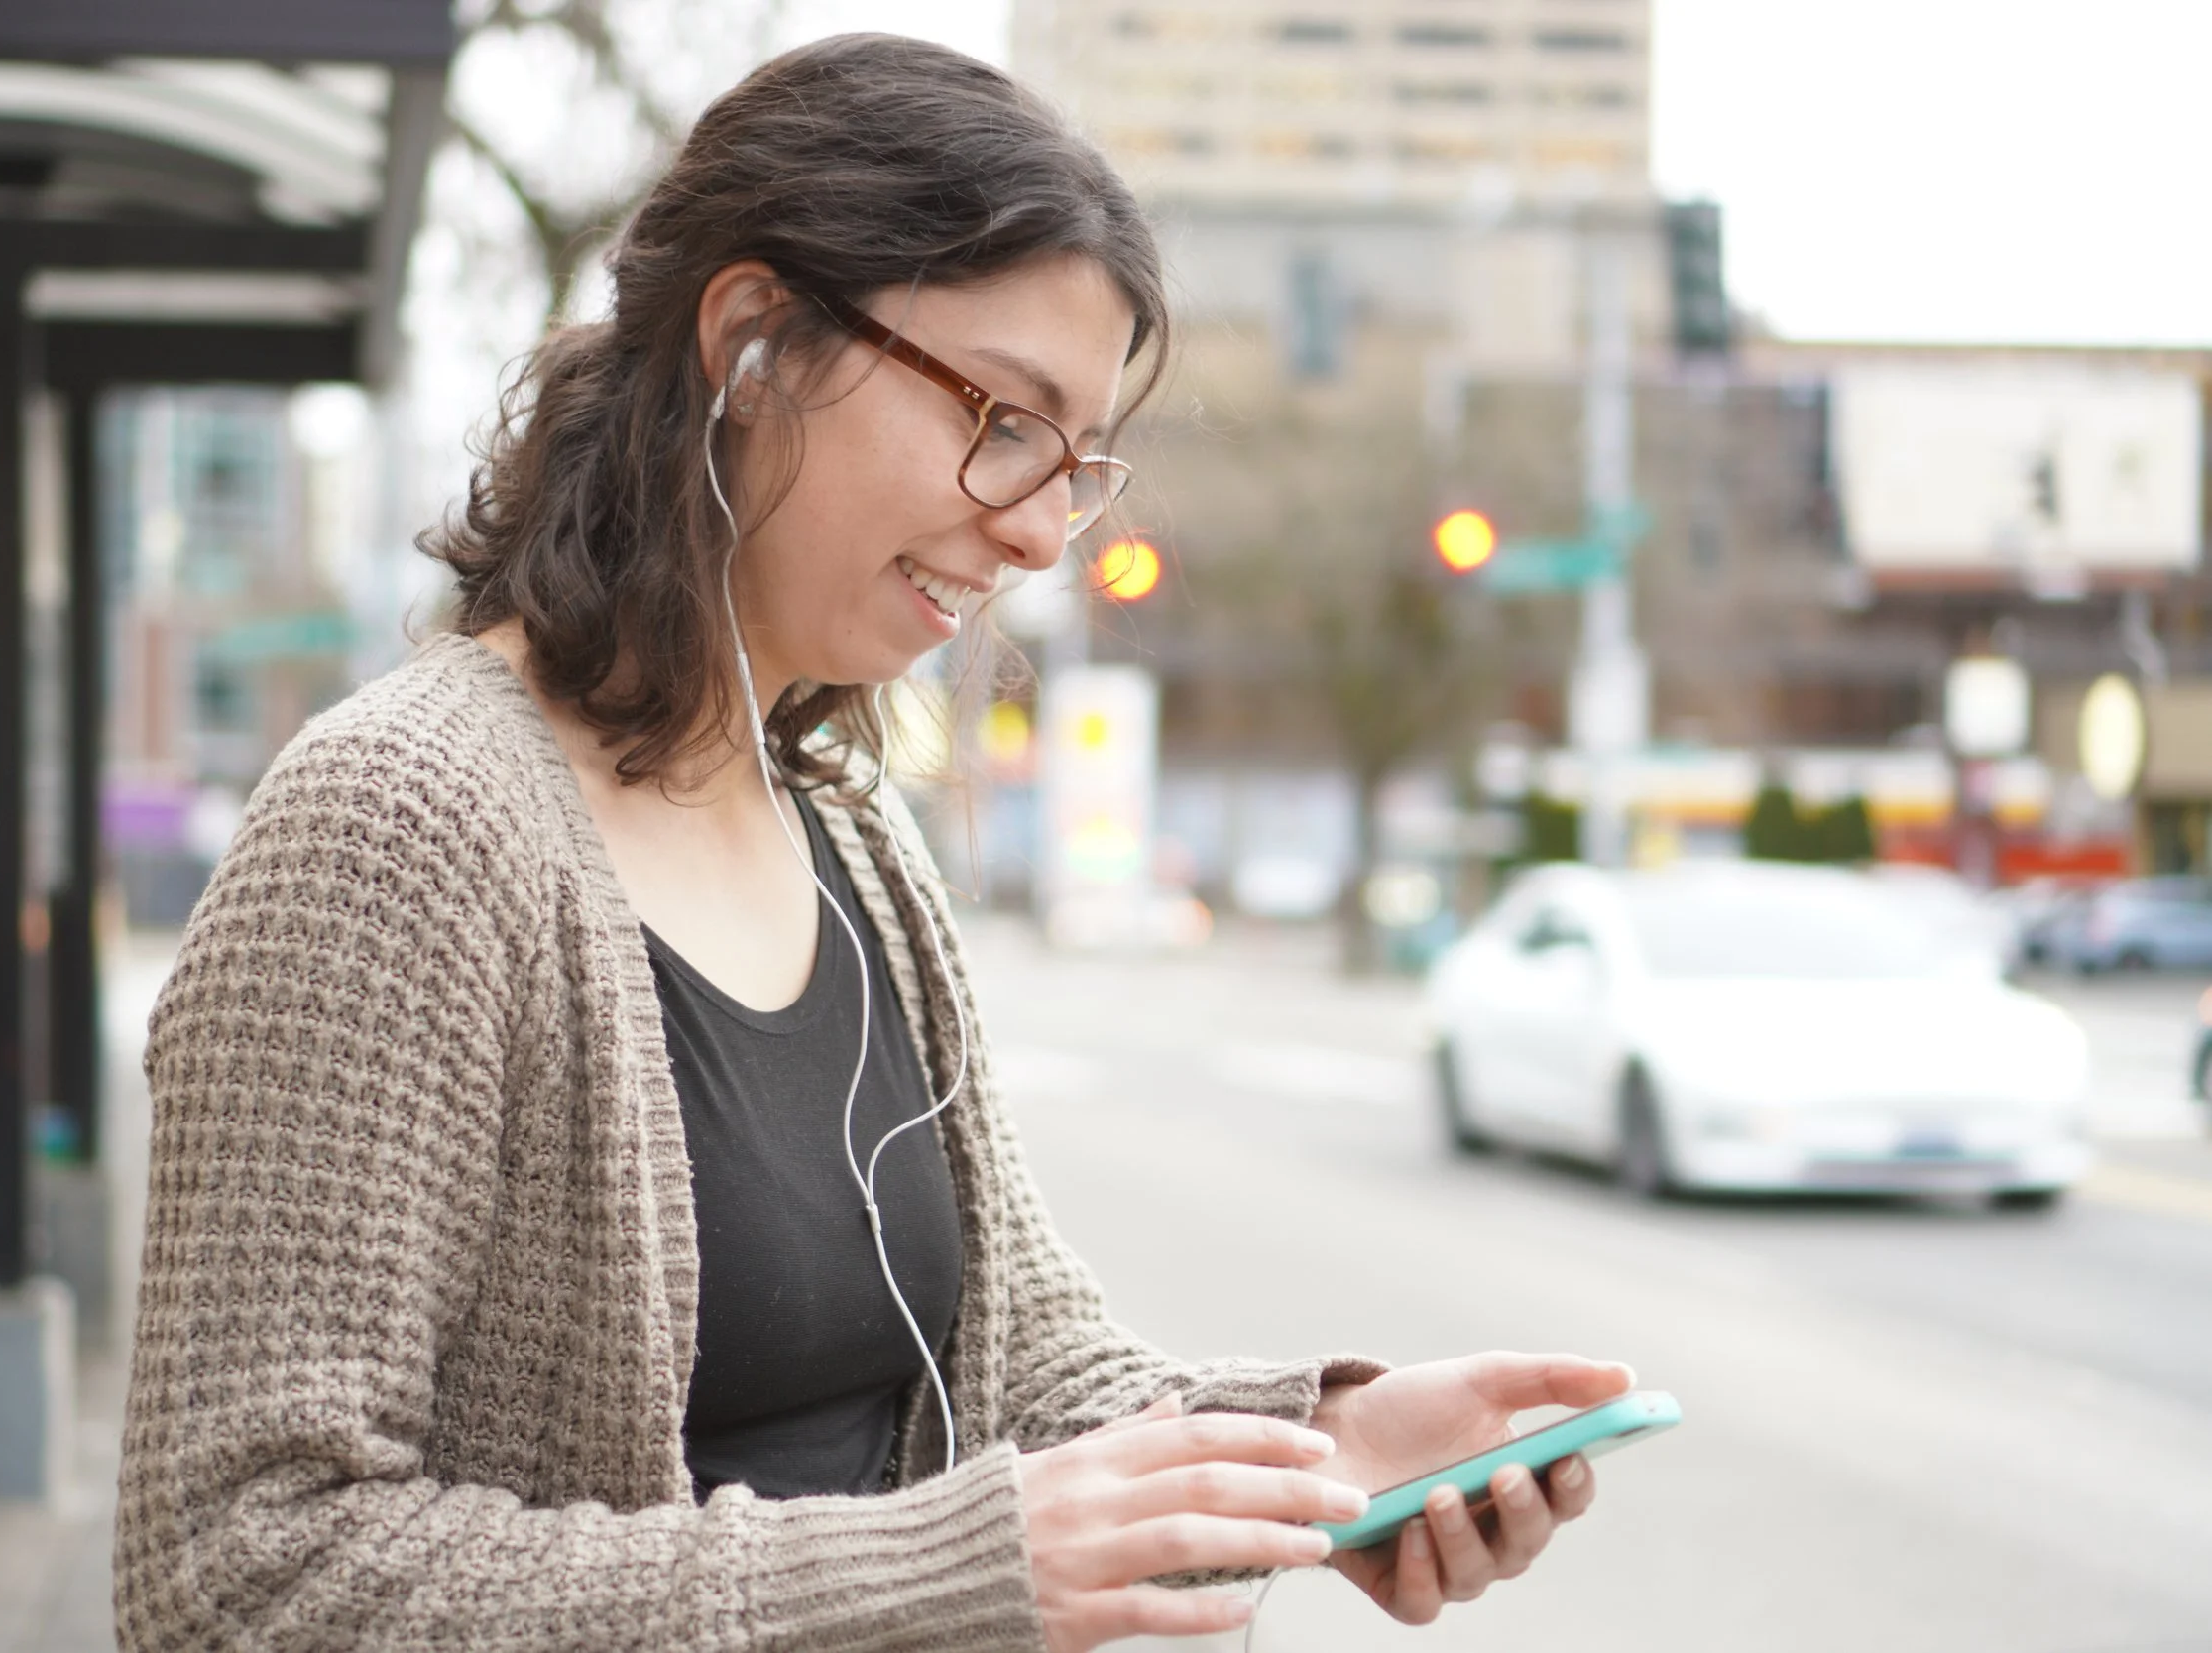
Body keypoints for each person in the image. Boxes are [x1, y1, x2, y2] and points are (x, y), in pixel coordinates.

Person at [113, 33, 1632, 1653]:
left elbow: (1017, 1348)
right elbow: (238, 1571)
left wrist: (1311, 1454)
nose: (1044, 528)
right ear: (754, 339)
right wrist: (928, 1571)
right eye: (1002, 417)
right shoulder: (398, 827)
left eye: (1077, 461)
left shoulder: (844, 826)